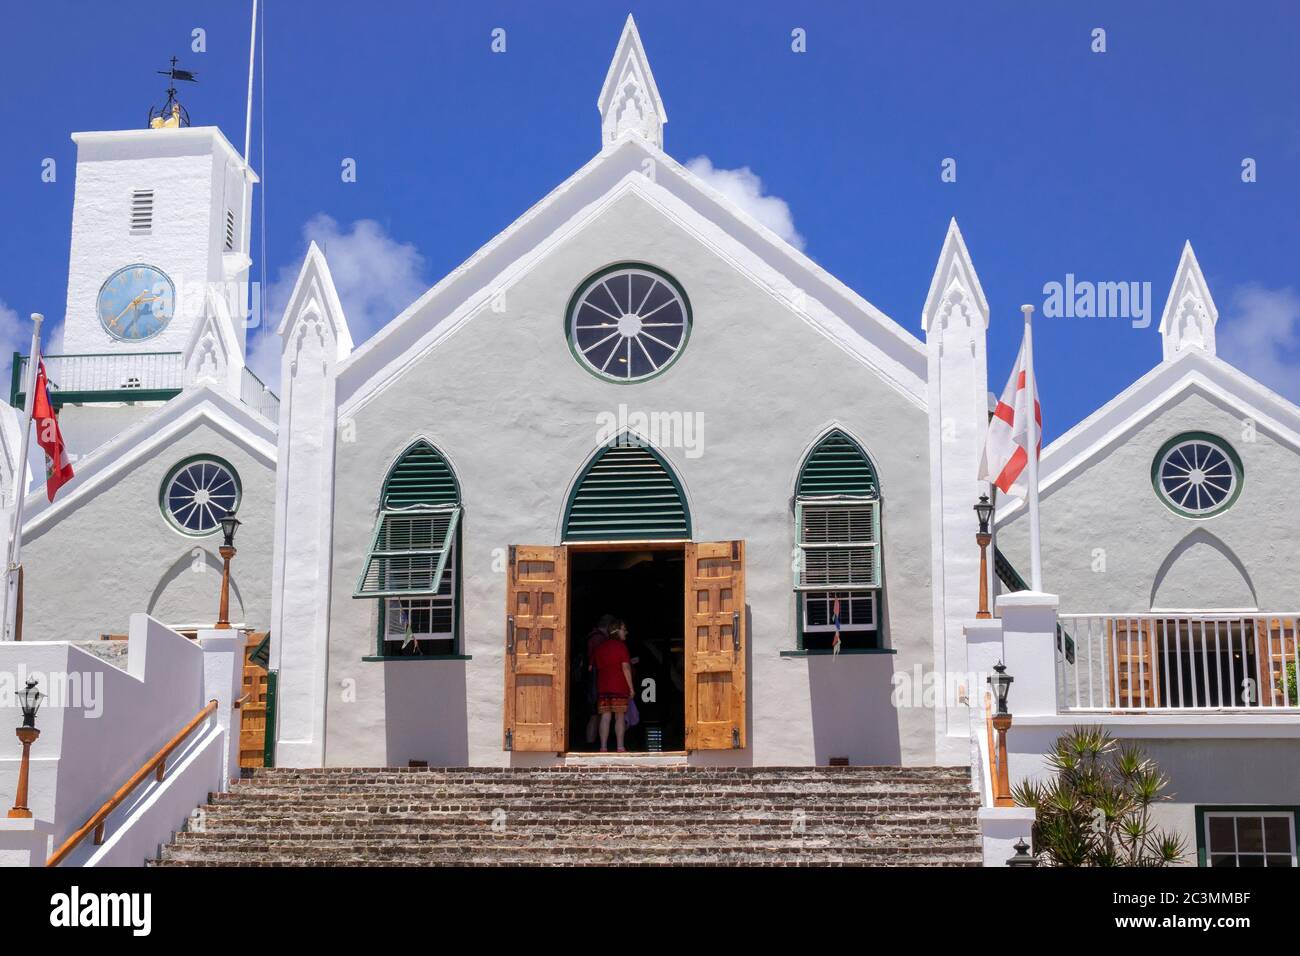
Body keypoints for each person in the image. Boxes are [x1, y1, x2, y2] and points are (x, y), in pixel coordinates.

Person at [592, 619, 634, 753]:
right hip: (619, 687)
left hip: (603, 687)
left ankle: (603, 747)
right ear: (617, 631)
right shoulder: (621, 647)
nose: (626, 632)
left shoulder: (600, 648)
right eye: (624, 629)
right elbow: (626, 667)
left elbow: (594, 666)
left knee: (605, 717)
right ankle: (620, 747)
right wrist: (631, 688)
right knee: (619, 716)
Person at [583, 614, 616, 746]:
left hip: (592, 680)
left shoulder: (592, 636)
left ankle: (592, 744)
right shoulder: (598, 639)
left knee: (596, 715)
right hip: (595, 682)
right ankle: (590, 746)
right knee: (595, 715)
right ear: (609, 626)